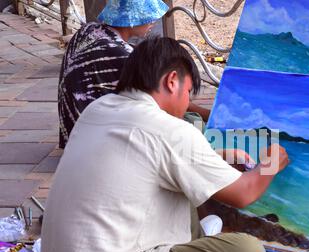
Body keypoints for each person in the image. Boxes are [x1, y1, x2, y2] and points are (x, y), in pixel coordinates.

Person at [41, 37, 290, 252]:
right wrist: (271, 163)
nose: (186, 105)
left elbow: (153, 157)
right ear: (172, 81)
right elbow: (244, 192)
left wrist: (218, 157)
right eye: (188, 92)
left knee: (189, 193)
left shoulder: (97, 109)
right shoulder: (170, 129)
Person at [58, 0, 210, 149]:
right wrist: (208, 115)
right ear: (131, 19)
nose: (154, 21)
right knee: (191, 124)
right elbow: (164, 98)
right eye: (149, 15)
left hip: (75, 133)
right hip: (93, 142)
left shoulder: (89, 30)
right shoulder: (121, 54)